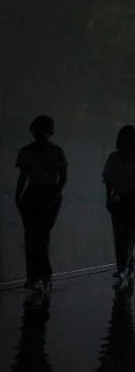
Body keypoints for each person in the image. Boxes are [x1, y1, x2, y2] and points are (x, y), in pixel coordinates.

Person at [14, 115, 68, 292]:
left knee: (36, 236)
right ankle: (40, 276)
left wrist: (19, 196)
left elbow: (24, 177)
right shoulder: (53, 152)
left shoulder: (32, 152)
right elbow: (62, 177)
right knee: (35, 237)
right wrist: (19, 196)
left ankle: (39, 276)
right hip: (40, 193)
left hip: (43, 193)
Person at [103, 125, 135, 283]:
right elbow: (109, 180)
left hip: (133, 198)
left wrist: (133, 196)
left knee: (128, 234)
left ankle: (122, 268)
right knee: (121, 235)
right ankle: (126, 266)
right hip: (122, 198)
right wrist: (109, 198)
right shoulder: (115, 158)